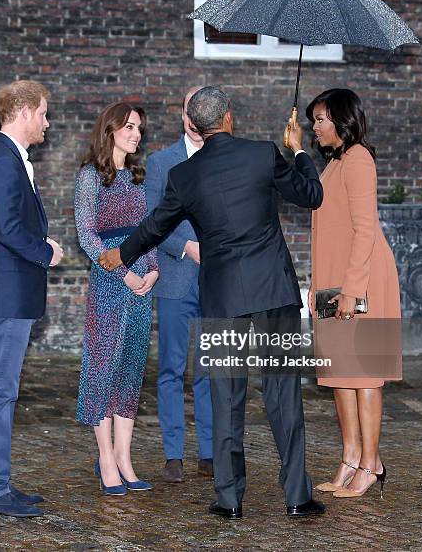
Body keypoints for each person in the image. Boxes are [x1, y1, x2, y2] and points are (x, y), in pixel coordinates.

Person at [99, 86, 326, 519]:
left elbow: (155, 227)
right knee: (283, 397)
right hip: (273, 294)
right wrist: (297, 151)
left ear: (194, 124)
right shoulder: (262, 154)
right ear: (228, 118)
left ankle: (229, 499)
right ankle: (297, 497)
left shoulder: (185, 177)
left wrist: (120, 254)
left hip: (221, 297)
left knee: (226, 398)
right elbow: (311, 194)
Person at [299, 88, 401, 498]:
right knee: (340, 375)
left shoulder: (358, 159)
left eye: (321, 118)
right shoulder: (334, 163)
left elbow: (363, 231)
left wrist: (350, 291)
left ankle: (371, 463)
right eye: (313, 120)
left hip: (364, 281)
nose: (315, 126)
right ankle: (350, 458)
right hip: (335, 283)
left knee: (365, 377)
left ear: (342, 120)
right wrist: (318, 285)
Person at [0, 80, 64, 518]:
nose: (47, 122)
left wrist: (39, 239)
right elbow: (8, 229)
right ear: (25, 111)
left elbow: (9, 224)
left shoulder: (8, 159)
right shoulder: (4, 161)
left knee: (4, 391)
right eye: (44, 113)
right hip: (9, 294)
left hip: (13, 292)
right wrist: (45, 251)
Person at [75, 102, 159, 496]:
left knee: (129, 369)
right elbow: (87, 236)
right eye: (129, 127)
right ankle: (105, 459)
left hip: (142, 280)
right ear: (109, 129)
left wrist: (153, 269)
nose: (136, 134)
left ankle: (125, 458)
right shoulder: (91, 177)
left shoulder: (139, 178)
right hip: (111, 281)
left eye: (139, 128)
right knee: (103, 367)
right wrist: (125, 273)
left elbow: (149, 228)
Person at [145, 86, 213, 483]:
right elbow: (153, 221)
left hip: (218, 279)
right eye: (192, 109)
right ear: (184, 115)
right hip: (175, 277)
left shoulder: (224, 157)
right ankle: (174, 455)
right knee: (171, 367)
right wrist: (186, 245)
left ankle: (209, 451)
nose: (197, 117)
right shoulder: (161, 162)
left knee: (211, 367)